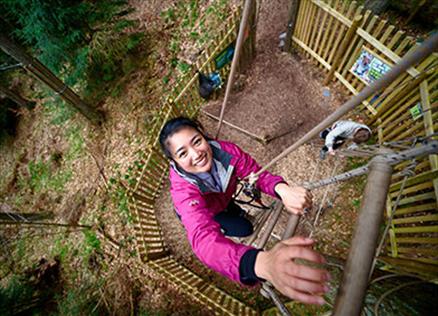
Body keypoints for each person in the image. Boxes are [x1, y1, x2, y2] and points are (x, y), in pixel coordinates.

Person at [159, 117, 330, 305]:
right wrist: (259, 264)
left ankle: (234, 212)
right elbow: (203, 240)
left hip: (224, 198)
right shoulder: (183, 191)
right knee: (244, 228)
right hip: (210, 212)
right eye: (183, 153)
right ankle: (228, 222)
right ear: (174, 161)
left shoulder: (226, 152)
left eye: (197, 141)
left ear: (203, 136)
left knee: (238, 214)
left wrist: (282, 189)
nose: (196, 154)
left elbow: (254, 173)